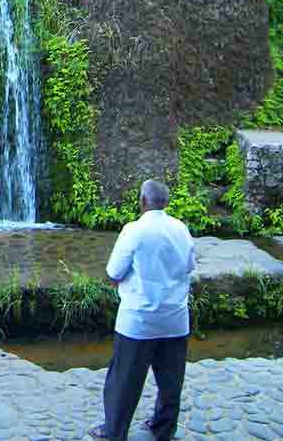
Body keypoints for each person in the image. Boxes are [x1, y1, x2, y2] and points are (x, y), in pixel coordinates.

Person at [89, 179, 195, 441]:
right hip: (175, 319)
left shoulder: (134, 230)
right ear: (166, 203)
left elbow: (113, 271)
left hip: (138, 321)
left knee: (123, 381)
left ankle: (114, 431)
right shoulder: (181, 229)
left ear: (143, 201)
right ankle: (163, 428)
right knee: (171, 381)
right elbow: (189, 266)